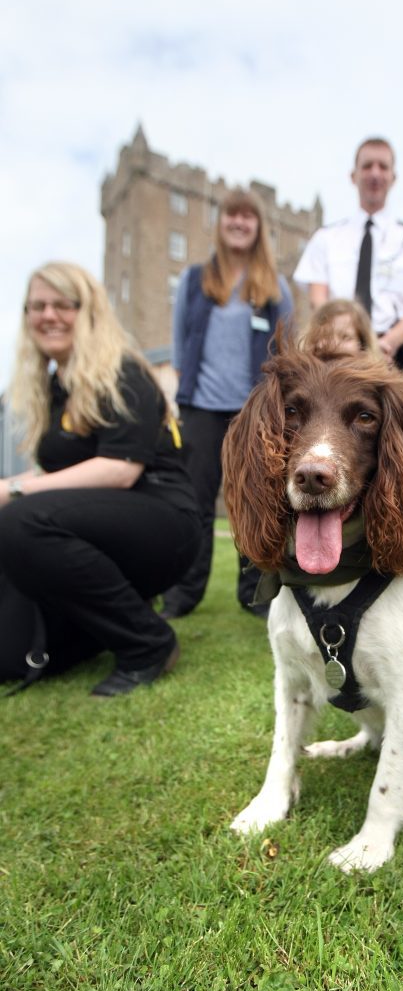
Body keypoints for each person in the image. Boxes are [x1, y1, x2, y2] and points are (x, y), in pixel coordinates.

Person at [0, 262, 201, 696]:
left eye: (62, 304)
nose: (48, 315)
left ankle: (148, 642)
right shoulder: (57, 388)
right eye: (37, 306)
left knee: (19, 520)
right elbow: (57, 477)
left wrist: (12, 490)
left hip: (163, 522)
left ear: (87, 311)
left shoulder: (121, 371)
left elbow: (119, 468)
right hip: (98, 525)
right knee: (9, 655)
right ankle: (99, 626)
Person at [161, 188, 293, 619]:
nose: (239, 222)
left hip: (254, 411)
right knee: (194, 501)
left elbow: (286, 352)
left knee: (256, 500)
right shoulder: (195, 280)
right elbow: (180, 343)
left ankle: (254, 592)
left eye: (247, 217)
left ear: (258, 226)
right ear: (220, 223)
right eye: (231, 215)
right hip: (201, 406)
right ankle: (183, 595)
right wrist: (179, 393)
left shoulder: (275, 289)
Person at [293, 137, 403, 384]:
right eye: (367, 166)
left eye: (383, 167)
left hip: (396, 357)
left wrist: (389, 342)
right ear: (353, 176)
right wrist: (337, 340)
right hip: (337, 360)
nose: (375, 173)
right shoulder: (326, 238)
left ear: (393, 177)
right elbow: (318, 297)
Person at [296, 298, 383, 359]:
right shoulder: (295, 381)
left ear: (363, 345)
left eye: (345, 337)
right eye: (326, 335)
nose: (335, 344)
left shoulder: (379, 384)